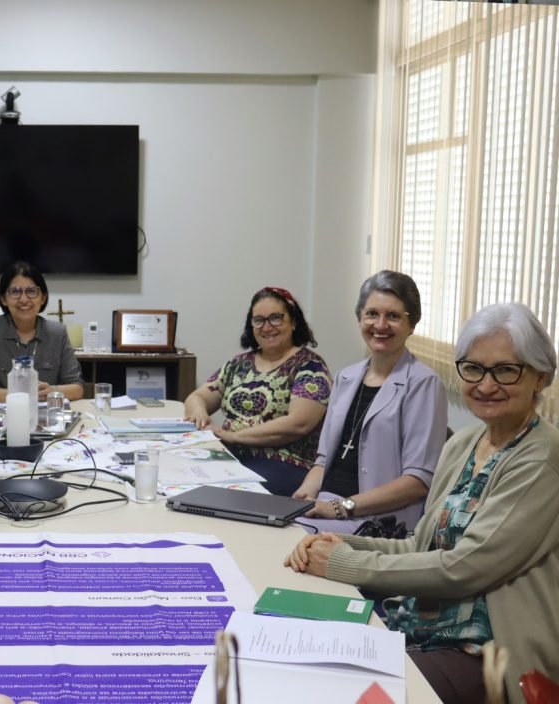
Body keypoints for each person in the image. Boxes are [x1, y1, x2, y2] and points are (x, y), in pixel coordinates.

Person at [286, 302, 559, 704]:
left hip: (488, 650)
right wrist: (339, 543)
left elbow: (464, 567)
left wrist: (344, 563)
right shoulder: (464, 443)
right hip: (421, 623)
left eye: (505, 370)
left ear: (540, 377)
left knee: (359, 695)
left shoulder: (542, 459)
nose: (486, 385)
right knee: (309, 665)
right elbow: (421, 545)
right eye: (474, 368)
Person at [292, 271, 448, 532]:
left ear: (412, 325)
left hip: (379, 520)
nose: (381, 325)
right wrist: (305, 495)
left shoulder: (424, 384)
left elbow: (418, 481)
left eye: (394, 316)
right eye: (372, 314)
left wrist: (341, 507)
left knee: (290, 544)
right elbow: (324, 459)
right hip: (327, 508)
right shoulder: (346, 377)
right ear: (359, 318)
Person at [184, 286, 331, 496]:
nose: (267, 327)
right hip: (229, 453)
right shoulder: (239, 363)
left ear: (293, 321)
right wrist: (199, 412)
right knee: (179, 475)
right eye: (259, 320)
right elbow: (197, 397)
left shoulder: (310, 367)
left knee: (220, 493)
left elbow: (298, 424)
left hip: (282, 461)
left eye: (276, 318)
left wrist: (234, 436)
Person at [0, 261, 83, 403]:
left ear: (43, 298)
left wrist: (52, 391)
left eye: (31, 291)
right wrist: (22, 395)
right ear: (3, 299)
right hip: (5, 413)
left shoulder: (57, 333)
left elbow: (77, 389)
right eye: (15, 292)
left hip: (46, 413)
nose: (24, 299)